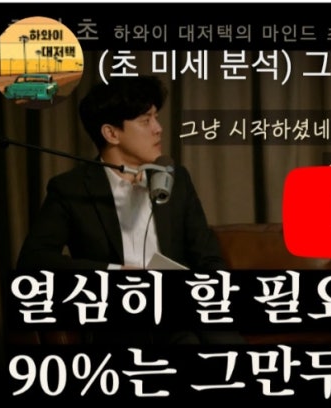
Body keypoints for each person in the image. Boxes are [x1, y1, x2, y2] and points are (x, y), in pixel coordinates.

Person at [16, 75, 233, 344]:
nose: (158, 129)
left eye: (156, 118)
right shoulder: (71, 189)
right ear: (111, 133)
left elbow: (209, 258)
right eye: (145, 120)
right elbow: (33, 260)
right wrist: (114, 273)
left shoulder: (176, 180)